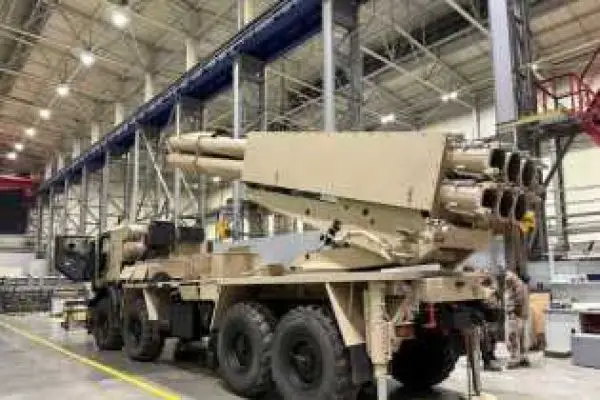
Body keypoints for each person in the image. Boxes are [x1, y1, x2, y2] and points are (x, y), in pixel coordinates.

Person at [505, 270, 530, 368]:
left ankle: (514, 359)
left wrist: (511, 311)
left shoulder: (517, 286)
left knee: (513, 337)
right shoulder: (521, 285)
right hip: (522, 316)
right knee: (522, 338)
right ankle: (523, 358)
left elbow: (518, 302)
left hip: (516, 316)